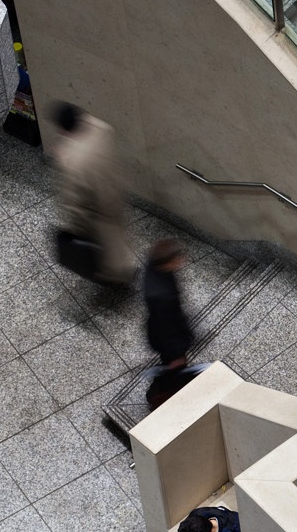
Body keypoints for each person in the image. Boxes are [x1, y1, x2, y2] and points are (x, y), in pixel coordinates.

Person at [49, 103, 135, 286]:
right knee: (118, 234)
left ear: (64, 129)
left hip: (97, 208)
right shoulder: (101, 128)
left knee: (106, 244)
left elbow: (74, 201)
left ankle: (115, 276)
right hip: (114, 191)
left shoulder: (74, 161)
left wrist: (77, 227)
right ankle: (123, 268)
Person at [142, 238, 196, 404]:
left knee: (174, 368)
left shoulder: (156, 269)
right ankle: (160, 393)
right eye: (177, 260)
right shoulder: (161, 297)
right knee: (174, 370)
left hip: (165, 334)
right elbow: (166, 327)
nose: (181, 262)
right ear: (166, 262)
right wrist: (176, 355)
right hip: (170, 342)